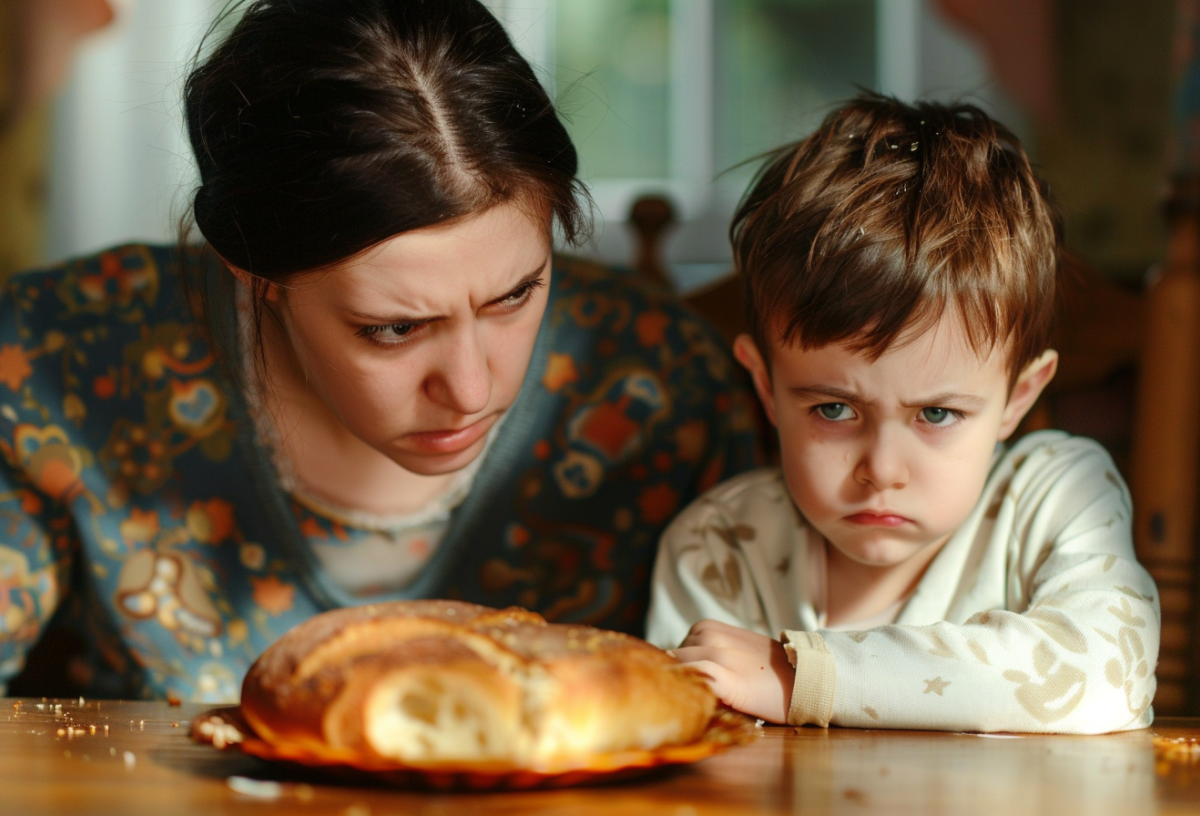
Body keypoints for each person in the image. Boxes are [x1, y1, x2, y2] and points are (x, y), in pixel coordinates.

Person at [0, 0, 761, 701]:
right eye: (394, 329)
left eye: (516, 295)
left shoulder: (663, 382)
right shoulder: (55, 355)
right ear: (254, 271)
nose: (469, 390)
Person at [645, 94, 1160, 734]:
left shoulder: (1056, 495)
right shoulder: (718, 548)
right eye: (834, 408)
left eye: (937, 414)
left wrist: (803, 675)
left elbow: (1107, 678)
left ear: (1018, 398)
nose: (882, 470)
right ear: (765, 384)